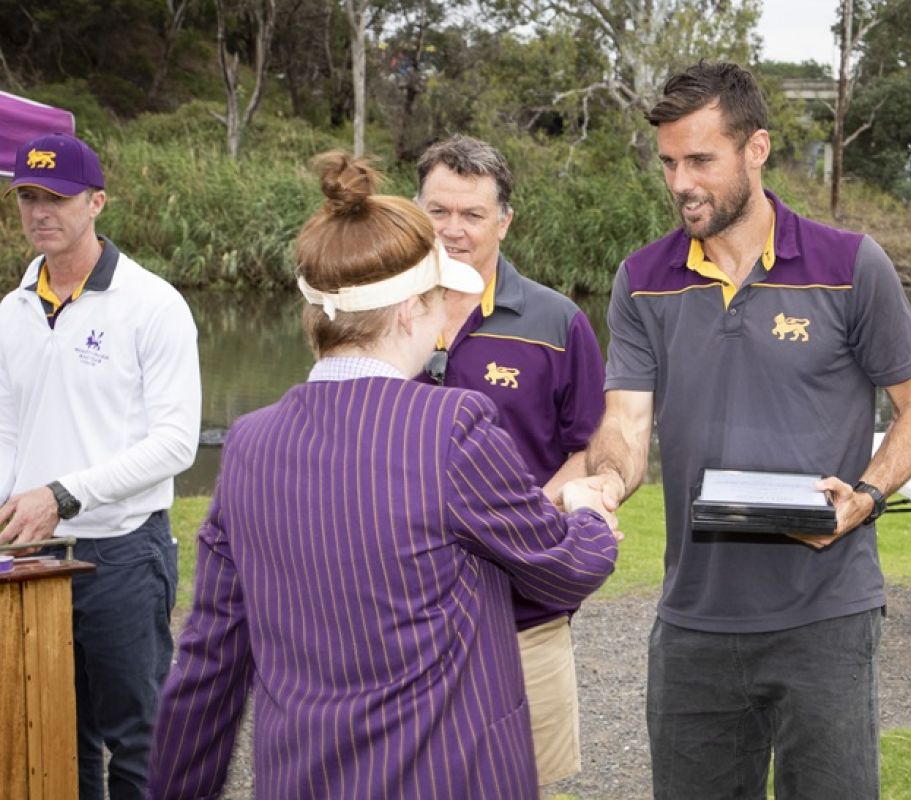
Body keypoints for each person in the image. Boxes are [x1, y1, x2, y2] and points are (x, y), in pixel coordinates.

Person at [147, 152, 620, 800]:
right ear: (409, 313)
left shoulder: (250, 443)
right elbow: (566, 564)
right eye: (437, 297)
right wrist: (587, 512)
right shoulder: (454, 426)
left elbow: (208, 665)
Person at [568, 62, 911, 799]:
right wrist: (607, 481)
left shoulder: (850, 266)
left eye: (701, 160)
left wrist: (865, 496)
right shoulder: (642, 279)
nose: (681, 182)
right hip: (694, 624)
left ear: (756, 149)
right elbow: (625, 420)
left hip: (826, 616)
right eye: (670, 162)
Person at [0, 132, 201, 800]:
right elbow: (7, 429)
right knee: (57, 732)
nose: (40, 212)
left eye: (56, 198)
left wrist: (63, 493)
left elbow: (177, 443)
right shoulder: (13, 309)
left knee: (138, 733)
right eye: (28, 197)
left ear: (97, 203)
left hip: (121, 553)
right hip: (30, 555)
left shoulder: (153, 305)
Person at [414, 134, 606, 787]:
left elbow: (591, 447)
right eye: (439, 211)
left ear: (505, 221)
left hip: (525, 615)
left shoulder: (558, 322)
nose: (453, 231)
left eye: (472, 215)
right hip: (405, 616)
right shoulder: (382, 314)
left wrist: (518, 522)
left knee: (523, 782)